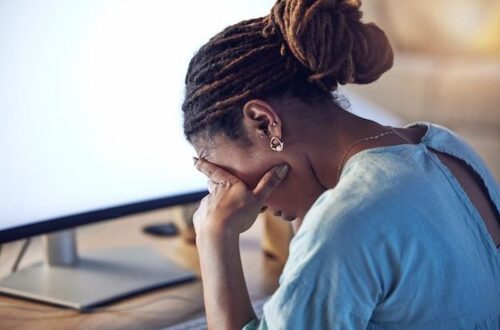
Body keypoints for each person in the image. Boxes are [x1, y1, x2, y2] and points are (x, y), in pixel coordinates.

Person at [181, 0, 500, 329]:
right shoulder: (446, 146)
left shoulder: (344, 223)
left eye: (230, 178)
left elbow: (346, 230)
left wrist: (214, 235)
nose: (245, 199)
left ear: (264, 123)